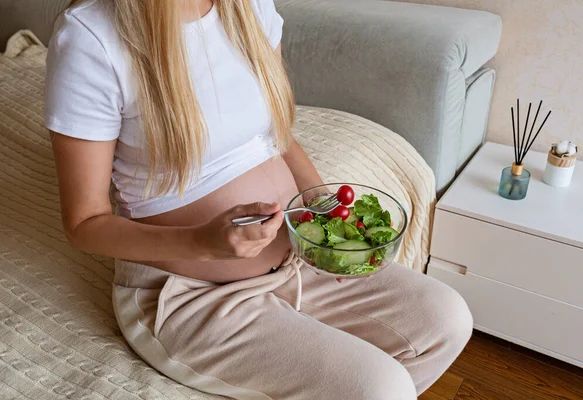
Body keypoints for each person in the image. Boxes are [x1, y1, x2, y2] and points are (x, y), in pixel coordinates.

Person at [45, 0, 473, 398]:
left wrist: (326, 219)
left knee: (447, 320)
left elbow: (278, 136)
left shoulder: (246, 5)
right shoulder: (91, 37)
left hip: (298, 252)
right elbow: (84, 224)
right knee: (382, 387)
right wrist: (203, 243)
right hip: (192, 294)